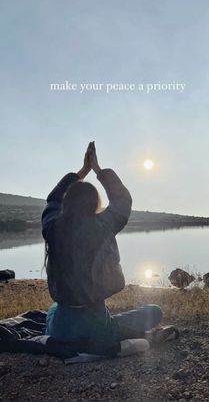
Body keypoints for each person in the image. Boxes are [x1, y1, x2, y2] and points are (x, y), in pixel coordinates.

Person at [41, 142, 177, 355]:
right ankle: (107, 334)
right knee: (154, 312)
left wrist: (81, 172)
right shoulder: (103, 226)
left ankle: (77, 334)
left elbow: (53, 200)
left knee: (52, 309)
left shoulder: (52, 229)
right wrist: (97, 170)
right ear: (94, 204)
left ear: (67, 204)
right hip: (99, 328)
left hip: (60, 331)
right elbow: (122, 200)